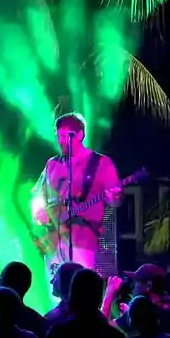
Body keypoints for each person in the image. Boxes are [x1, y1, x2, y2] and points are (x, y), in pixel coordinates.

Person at [31, 112, 121, 273]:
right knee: (56, 291)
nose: (60, 141)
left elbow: (115, 200)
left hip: (85, 241)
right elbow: (39, 195)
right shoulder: (52, 164)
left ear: (80, 135)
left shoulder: (101, 163)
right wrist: (39, 212)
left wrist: (114, 197)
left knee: (80, 289)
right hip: (54, 241)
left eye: (65, 136)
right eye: (58, 136)